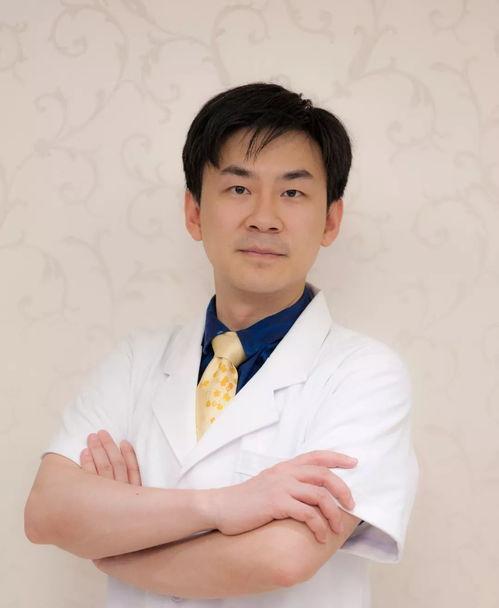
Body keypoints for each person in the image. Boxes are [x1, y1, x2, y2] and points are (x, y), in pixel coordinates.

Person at [24, 82, 419, 607]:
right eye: (238, 188)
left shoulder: (365, 376)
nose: (264, 217)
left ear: (330, 220)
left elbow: (283, 558)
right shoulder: (136, 361)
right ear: (194, 212)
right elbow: (47, 513)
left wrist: (117, 543)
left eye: (292, 193)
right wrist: (224, 506)